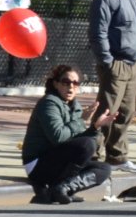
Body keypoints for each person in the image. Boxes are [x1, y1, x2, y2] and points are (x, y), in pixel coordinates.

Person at [88, 0, 136, 173]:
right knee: (106, 111)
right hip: (116, 64)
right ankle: (92, 156)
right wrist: (107, 62)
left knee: (126, 112)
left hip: (133, 64)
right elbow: (98, 32)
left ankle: (117, 156)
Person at [21, 64, 114, 204]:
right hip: (38, 165)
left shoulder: (75, 106)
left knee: (104, 168)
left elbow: (78, 139)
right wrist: (82, 120)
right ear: (56, 84)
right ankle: (59, 188)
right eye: (66, 82)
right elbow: (58, 137)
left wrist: (95, 127)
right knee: (87, 144)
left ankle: (63, 188)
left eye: (75, 83)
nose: (71, 87)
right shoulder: (49, 103)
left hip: (59, 161)